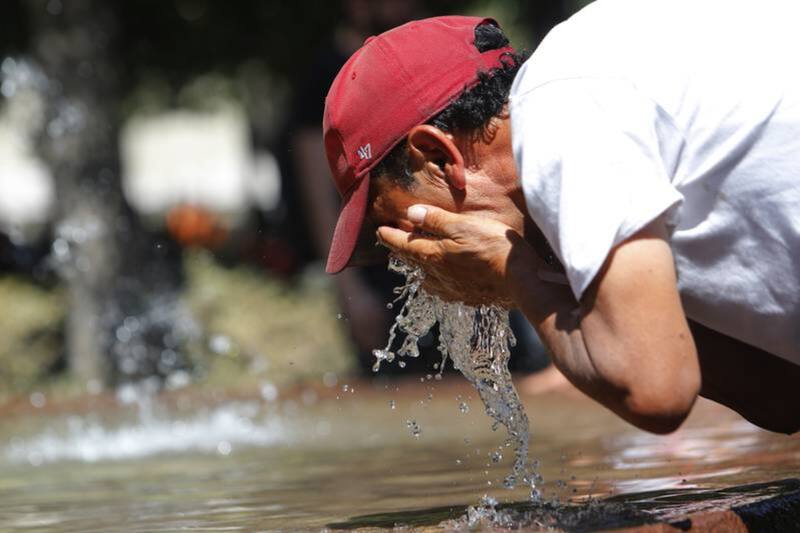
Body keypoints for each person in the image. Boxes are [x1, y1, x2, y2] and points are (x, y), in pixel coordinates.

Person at [320, 2, 800, 434]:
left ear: (439, 158)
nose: (415, 259)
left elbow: (658, 394)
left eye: (403, 226)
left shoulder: (559, 112)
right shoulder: (599, 80)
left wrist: (519, 276)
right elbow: (782, 398)